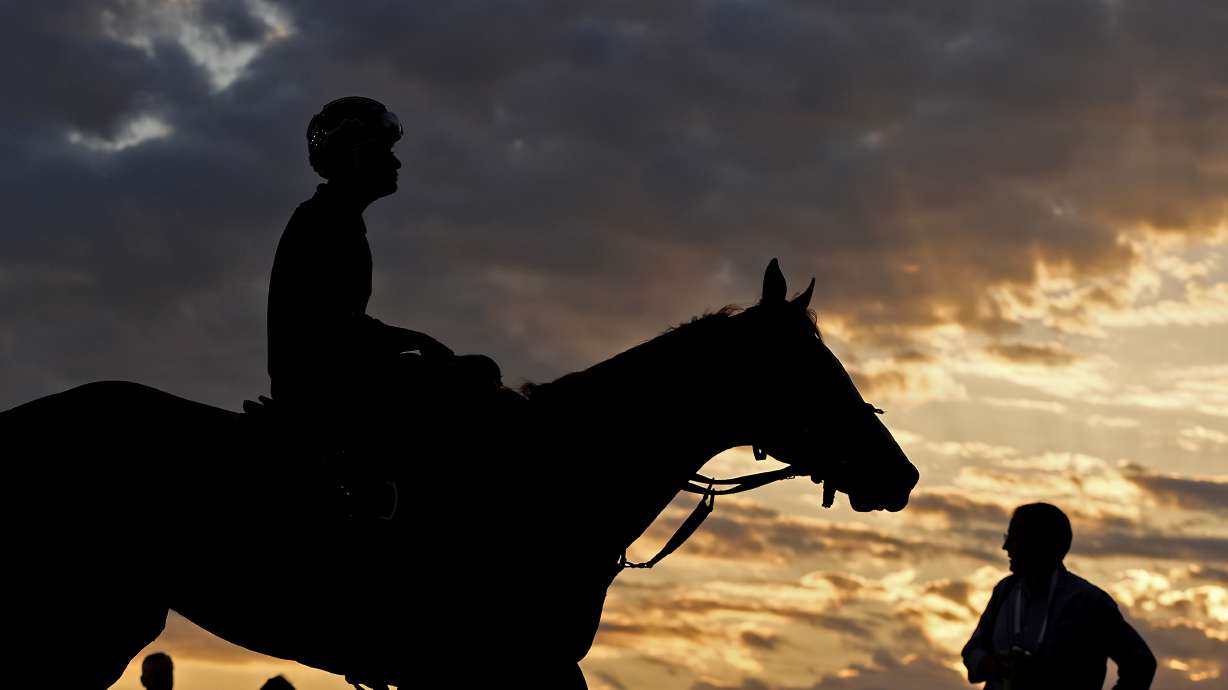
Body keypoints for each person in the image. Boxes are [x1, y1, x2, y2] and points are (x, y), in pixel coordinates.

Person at [962, 503, 1156, 690]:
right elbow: (972, 650)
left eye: (1015, 538)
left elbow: (1140, 663)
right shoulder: (1004, 590)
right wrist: (989, 663)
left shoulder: (1089, 603)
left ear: (1042, 543)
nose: (1006, 546)